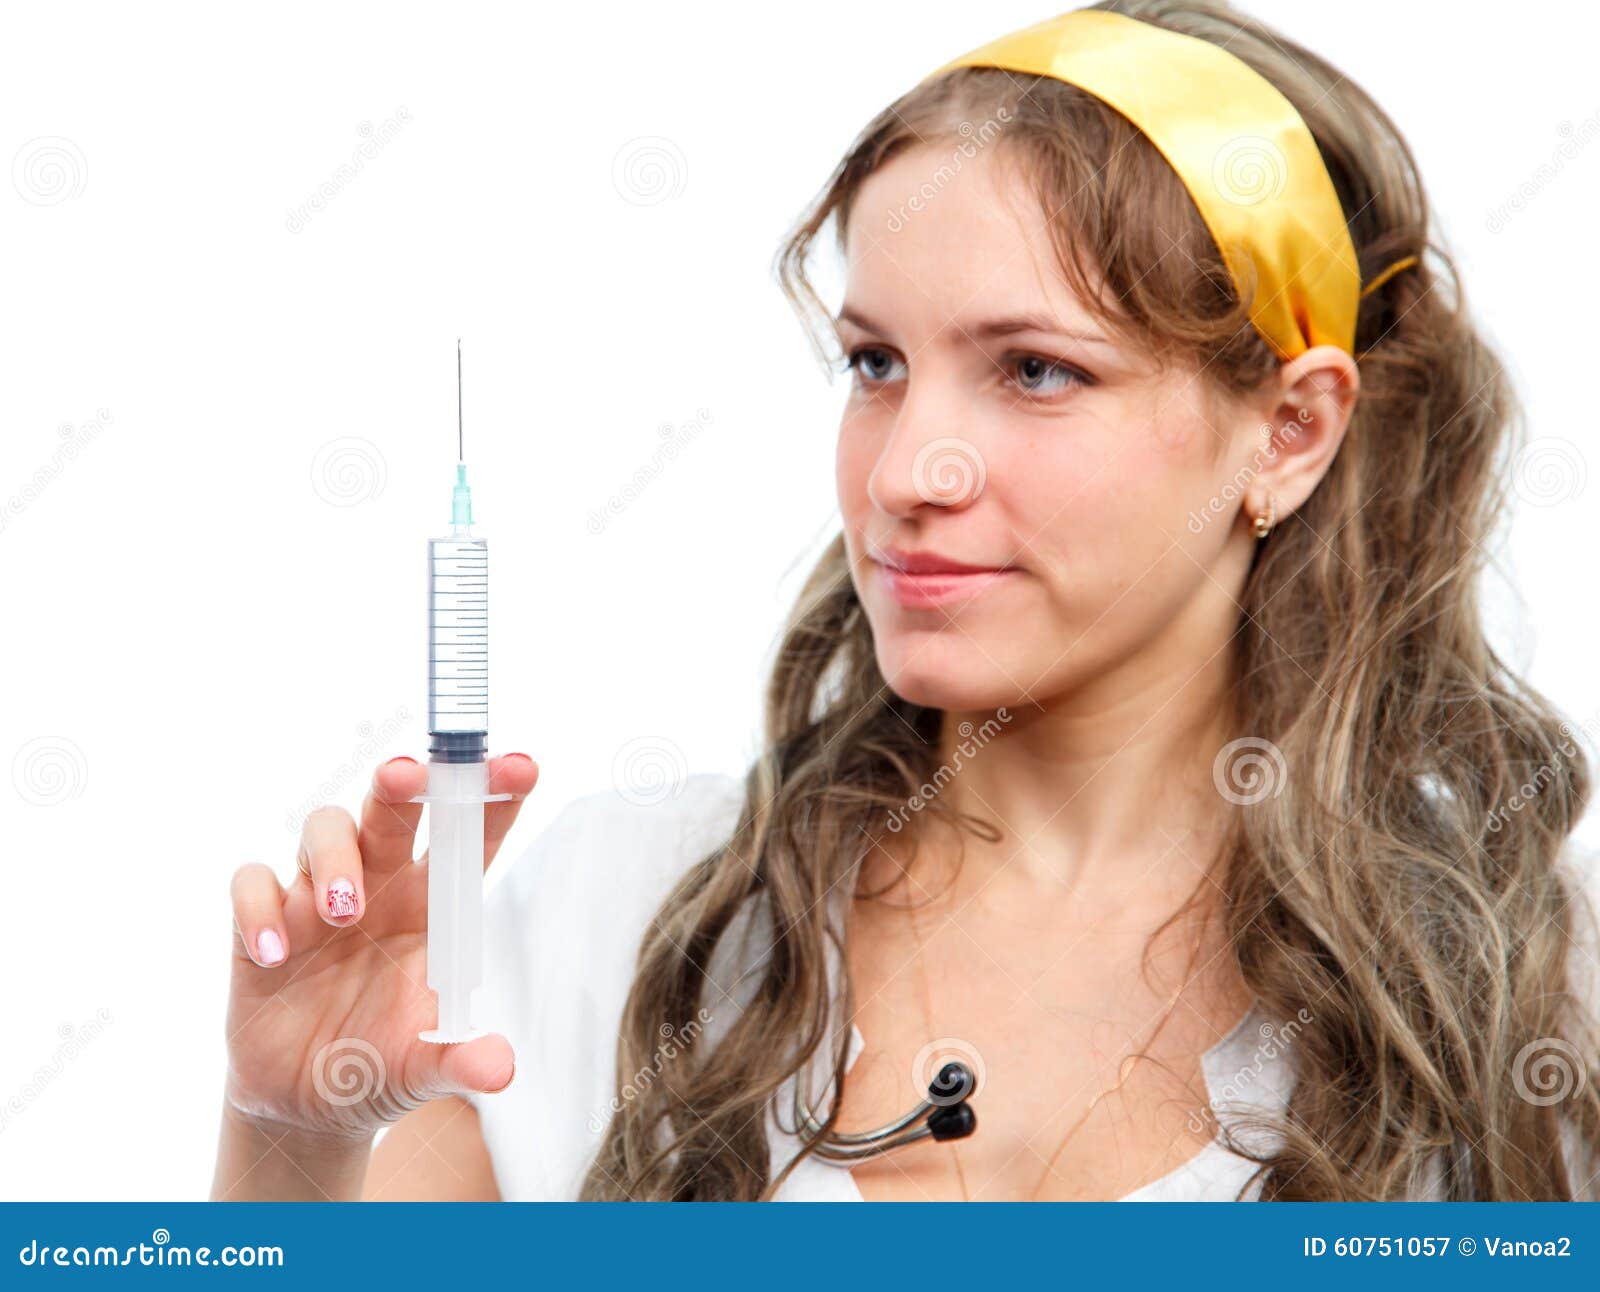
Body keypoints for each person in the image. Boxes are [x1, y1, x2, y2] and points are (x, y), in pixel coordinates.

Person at [212, 0, 1600, 1202]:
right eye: (876, 363)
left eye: (1037, 370)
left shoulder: (1531, 991)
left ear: (1289, 432)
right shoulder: (615, 921)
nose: (902, 476)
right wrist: (293, 1137)